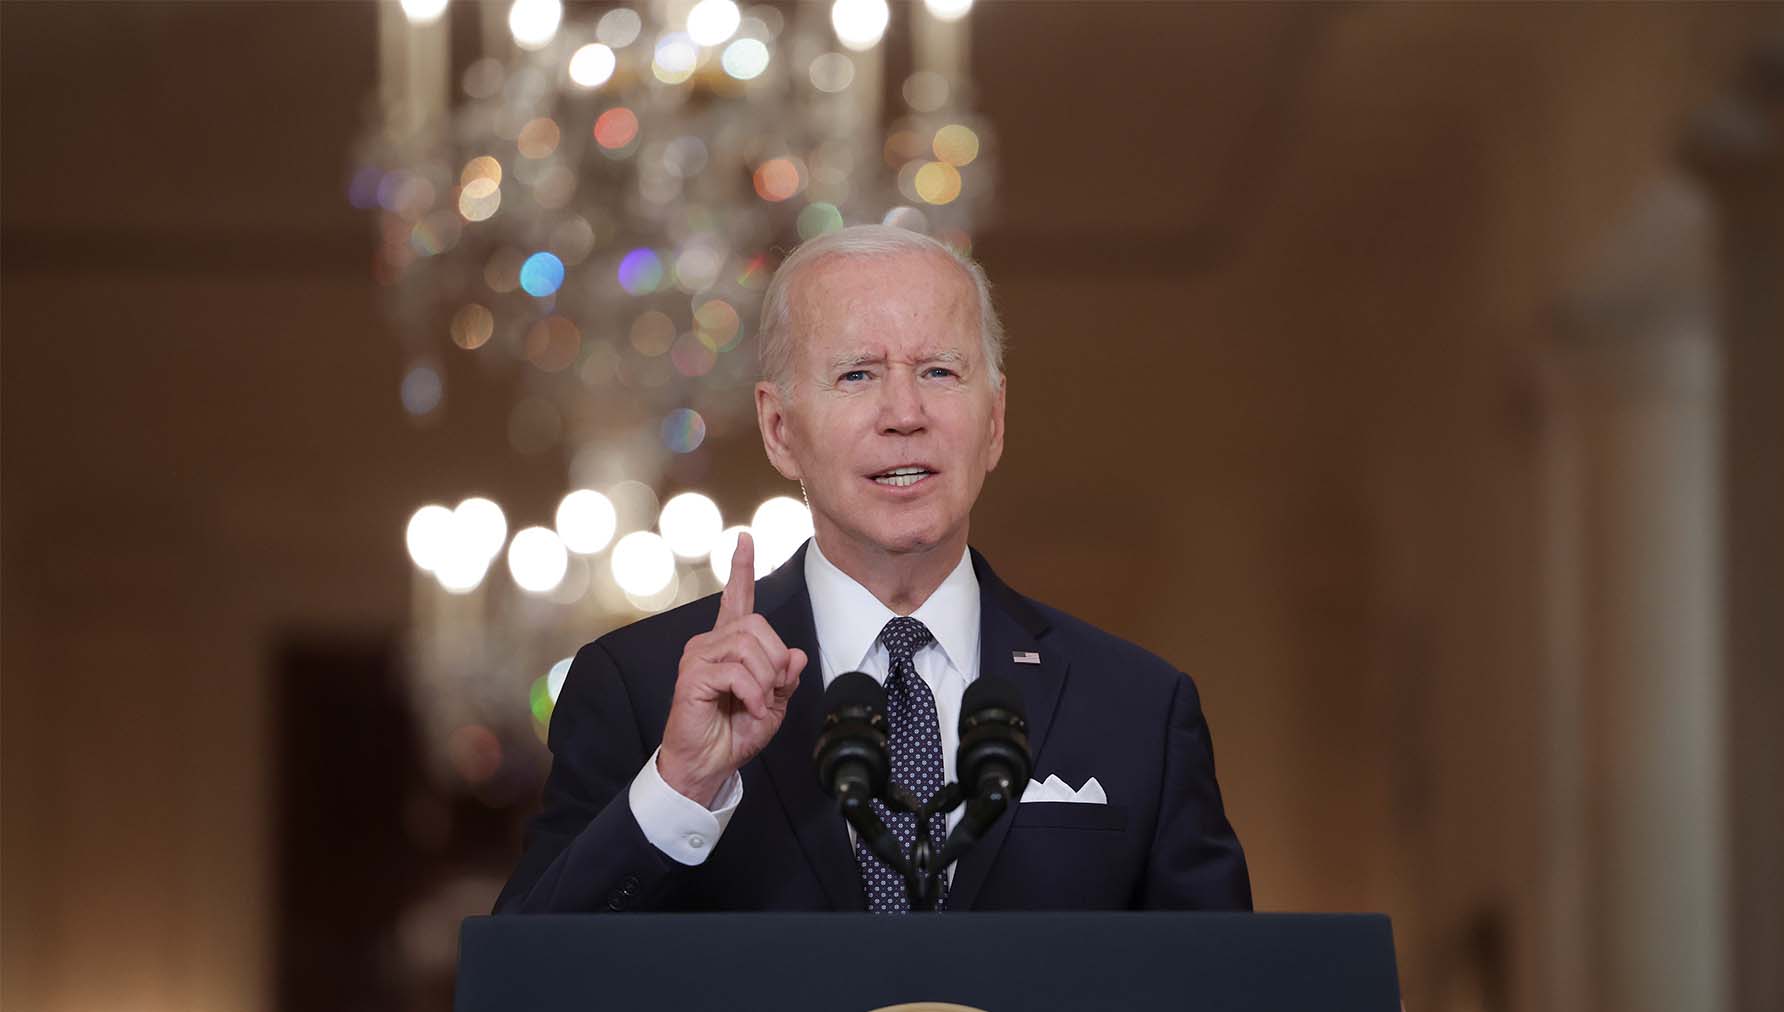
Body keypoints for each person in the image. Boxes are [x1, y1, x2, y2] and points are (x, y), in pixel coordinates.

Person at [495, 225, 1251, 913]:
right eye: (857, 375)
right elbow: (521, 990)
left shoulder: (1138, 709)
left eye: (940, 372)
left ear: (994, 421)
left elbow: (1228, 993)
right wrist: (682, 787)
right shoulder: (639, 689)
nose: (903, 413)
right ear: (779, 427)